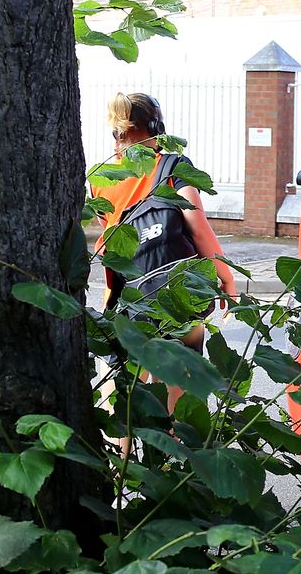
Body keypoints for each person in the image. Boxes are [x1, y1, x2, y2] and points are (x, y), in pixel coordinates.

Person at [94, 92, 235, 407]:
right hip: (176, 298)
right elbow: (198, 227)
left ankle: (122, 453)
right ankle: (169, 452)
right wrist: (226, 278)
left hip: (126, 300)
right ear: (157, 126)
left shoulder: (101, 179)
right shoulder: (173, 166)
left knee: (124, 397)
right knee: (176, 397)